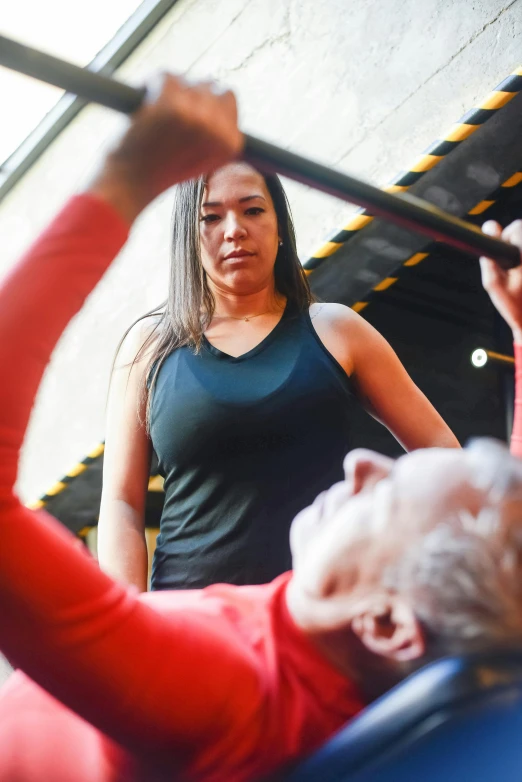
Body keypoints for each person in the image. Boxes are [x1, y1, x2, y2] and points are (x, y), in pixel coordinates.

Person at [0, 74, 520, 782]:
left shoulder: (209, 687)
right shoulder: (331, 641)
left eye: (391, 495)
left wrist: (124, 180)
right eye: (210, 216)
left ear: (388, 623)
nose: (365, 466)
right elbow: (495, 522)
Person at [97, 99, 459, 595]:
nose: (234, 230)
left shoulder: (337, 330)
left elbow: (445, 458)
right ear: (189, 234)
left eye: (252, 209)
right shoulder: (149, 347)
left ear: (279, 227)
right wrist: (128, 626)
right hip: (194, 624)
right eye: (211, 217)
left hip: (321, 613)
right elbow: (120, 503)